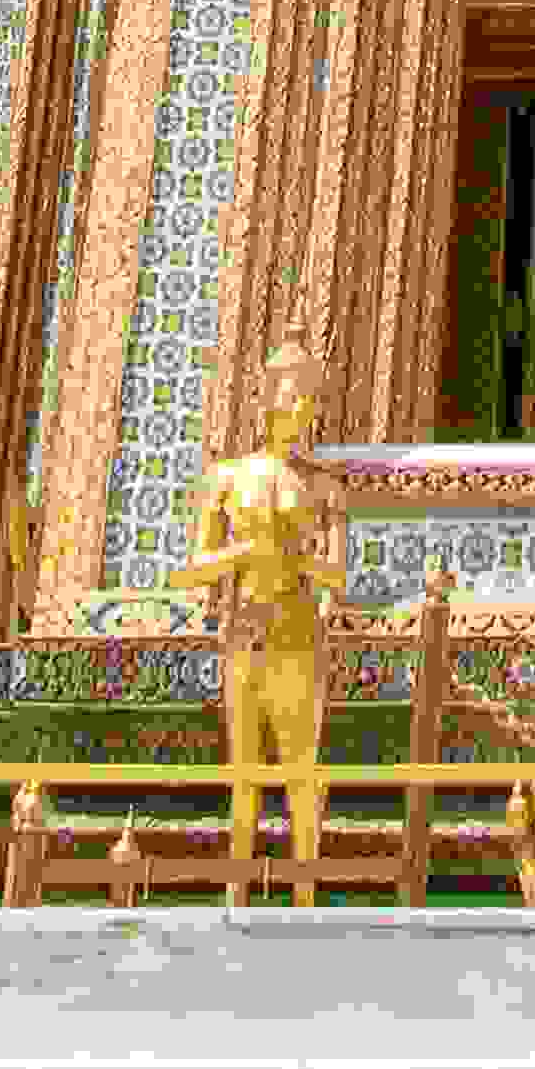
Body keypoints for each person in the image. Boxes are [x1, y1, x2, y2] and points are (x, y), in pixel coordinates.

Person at [189, 371, 342, 898]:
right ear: (270, 404)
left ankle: (304, 892)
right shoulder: (228, 477)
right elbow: (195, 567)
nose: (302, 408)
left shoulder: (322, 484)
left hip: (298, 632)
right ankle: (236, 891)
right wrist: (243, 554)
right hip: (245, 632)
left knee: (301, 773)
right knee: (245, 772)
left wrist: (302, 558)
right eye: (294, 397)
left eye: (308, 401)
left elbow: (338, 574)